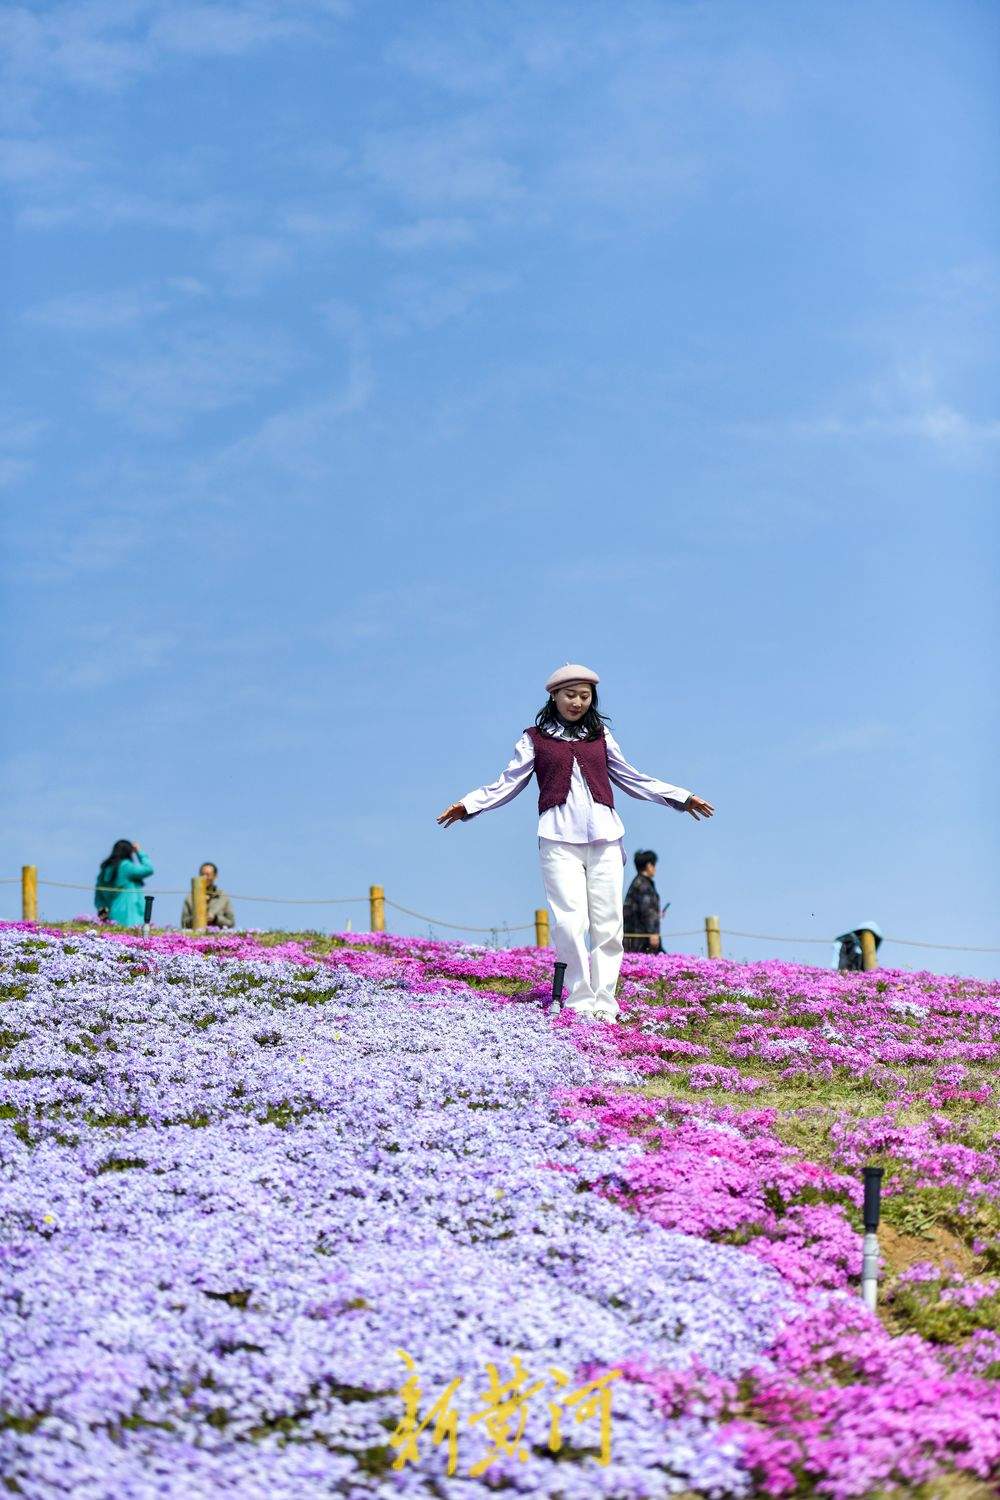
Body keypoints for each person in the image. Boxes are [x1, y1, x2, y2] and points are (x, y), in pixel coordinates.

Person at [438, 663, 713, 1022]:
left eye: (585, 696)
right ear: (553, 696)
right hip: (557, 839)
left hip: (606, 838)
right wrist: (469, 805)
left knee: (608, 923)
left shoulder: (601, 736)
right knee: (569, 922)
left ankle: (605, 1001)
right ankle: (580, 998)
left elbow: (633, 779)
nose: (577, 702)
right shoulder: (533, 739)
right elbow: (506, 783)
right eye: (570, 695)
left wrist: (680, 797)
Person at [94, 840, 154, 927]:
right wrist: (139, 851)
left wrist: (102, 913)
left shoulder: (104, 870)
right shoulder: (125, 866)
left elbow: (99, 896)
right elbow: (148, 869)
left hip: (112, 915)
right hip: (131, 914)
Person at [623, 849, 664, 954]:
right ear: (649, 865)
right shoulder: (644, 885)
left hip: (633, 938)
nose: (655, 869)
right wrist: (653, 933)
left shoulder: (637, 882)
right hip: (641, 940)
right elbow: (647, 910)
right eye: (654, 865)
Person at [181, 863, 236, 929]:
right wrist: (198, 918)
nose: (205, 877)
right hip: (197, 937)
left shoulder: (223, 897)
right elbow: (184, 922)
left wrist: (216, 919)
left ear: (215, 876)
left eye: (208, 875)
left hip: (217, 937)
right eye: (202, 875)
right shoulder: (190, 898)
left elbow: (231, 923)